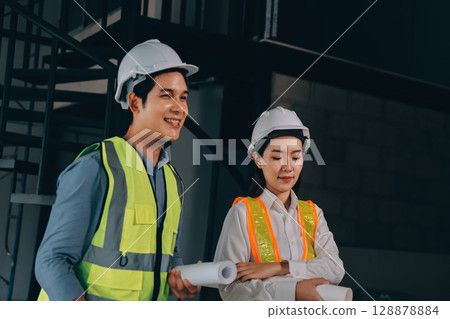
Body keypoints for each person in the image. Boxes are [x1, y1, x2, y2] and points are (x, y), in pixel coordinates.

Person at [35, 39, 201, 301]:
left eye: (183, 97)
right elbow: (51, 261)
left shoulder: (171, 180)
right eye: (166, 95)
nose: (180, 108)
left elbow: (167, 255)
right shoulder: (96, 167)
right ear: (135, 103)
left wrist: (179, 281)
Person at [214, 106, 345, 301]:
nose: (288, 167)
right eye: (277, 157)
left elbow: (335, 269)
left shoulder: (313, 214)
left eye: (295, 157)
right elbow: (231, 289)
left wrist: (280, 267)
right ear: (258, 159)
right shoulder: (242, 213)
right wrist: (293, 292)